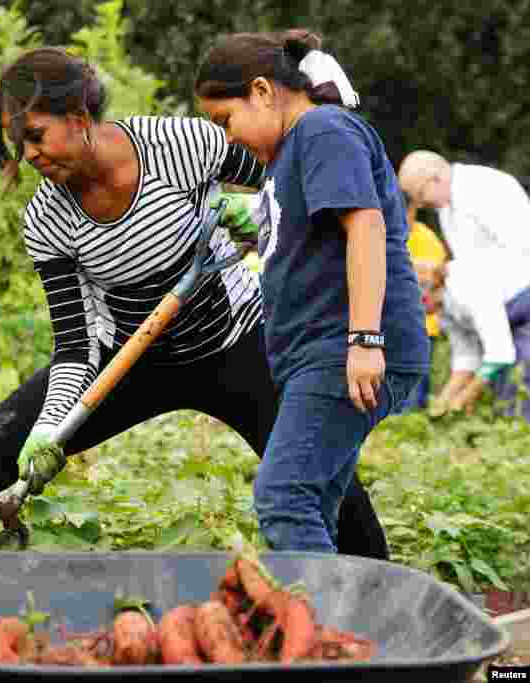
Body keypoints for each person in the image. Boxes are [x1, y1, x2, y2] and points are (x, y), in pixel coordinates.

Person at [0, 46, 392, 565]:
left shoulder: (176, 143)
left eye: (35, 136)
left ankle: (385, 600)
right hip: (130, 358)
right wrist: (49, 428)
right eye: (20, 146)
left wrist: (257, 210)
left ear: (79, 117)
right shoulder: (47, 221)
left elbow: (290, 171)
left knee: (319, 469)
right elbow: (76, 345)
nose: (31, 155)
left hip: (237, 342)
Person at [193, 30, 429, 553]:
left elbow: (364, 226)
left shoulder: (322, 130)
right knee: (316, 505)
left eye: (224, 120)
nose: (227, 137)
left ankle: (323, 633)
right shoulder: (287, 157)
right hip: (315, 353)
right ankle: (349, 623)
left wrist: (365, 339)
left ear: (261, 90)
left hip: (345, 343)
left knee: (285, 497)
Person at [416, 258, 530, 423]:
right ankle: (505, 424)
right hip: (505, 310)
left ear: (424, 297)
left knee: (522, 367)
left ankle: (520, 432)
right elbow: (467, 356)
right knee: (498, 379)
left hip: (523, 300)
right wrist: (443, 399)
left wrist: (465, 396)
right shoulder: (442, 306)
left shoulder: (468, 291)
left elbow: (500, 353)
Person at [397, 150, 530, 263]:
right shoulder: (446, 206)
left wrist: (448, 271)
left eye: (420, 194)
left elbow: (520, 250)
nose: (420, 204)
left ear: (437, 178)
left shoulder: (488, 186)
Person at [404, 201, 449, 410]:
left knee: (415, 388)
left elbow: (435, 278)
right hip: (389, 325)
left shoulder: (426, 238)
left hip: (423, 325)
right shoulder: (379, 233)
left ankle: (411, 427)